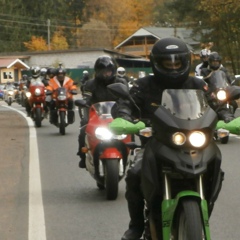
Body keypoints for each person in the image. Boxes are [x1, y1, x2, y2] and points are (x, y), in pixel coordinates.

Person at [112, 37, 229, 240]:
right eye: (168, 63)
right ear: (157, 63)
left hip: (195, 143)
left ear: (185, 62)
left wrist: (227, 117)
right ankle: (136, 227)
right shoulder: (143, 85)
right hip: (155, 143)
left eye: (177, 63)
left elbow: (214, 105)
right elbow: (127, 103)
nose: (174, 68)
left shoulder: (197, 84)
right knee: (134, 173)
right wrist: (124, 116)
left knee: (216, 166)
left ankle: (203, 211)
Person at [77, 55, 128, 168]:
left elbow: (127, 98)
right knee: (83, 128)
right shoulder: (91, 84)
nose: (106, 74)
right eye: (103, 71)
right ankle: (82, 154)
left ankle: (131, 151)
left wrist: (128, 108)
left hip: (117, 114)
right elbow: (87, 98)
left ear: (113, 71)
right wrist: (85, 102)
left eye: (109, 71)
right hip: (97, 115)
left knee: (129, 127)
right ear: (98, 71)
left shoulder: (120, 82)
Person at [201, 51, 237, 116]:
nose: (215, 63)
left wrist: (233, 84)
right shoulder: (205, 71)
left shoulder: (223, 70)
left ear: (219, 62)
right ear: (210, 62)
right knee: (204, 106)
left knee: (234, 103)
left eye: (217, 61)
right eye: (213, 62)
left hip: (222, 91)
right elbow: (201, 83)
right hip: (210, 93)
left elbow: (230, 80)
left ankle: (232, 116)